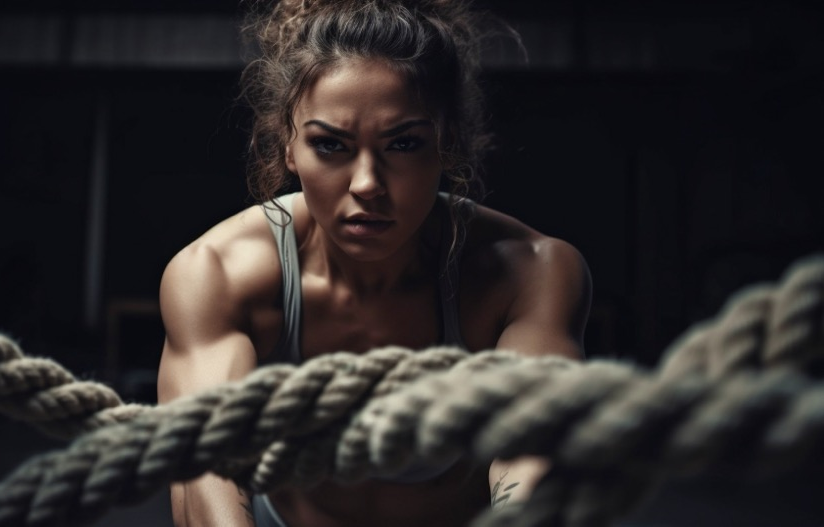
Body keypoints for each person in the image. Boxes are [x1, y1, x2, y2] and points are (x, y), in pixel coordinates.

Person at [157, 0, 592, 525]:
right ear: (289, 147)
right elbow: (205, 476)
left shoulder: (528, 274)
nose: (367, 184)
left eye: (403, 143)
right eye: (330, 145)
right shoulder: (219, 272)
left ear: (446, 141)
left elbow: (533, 454)